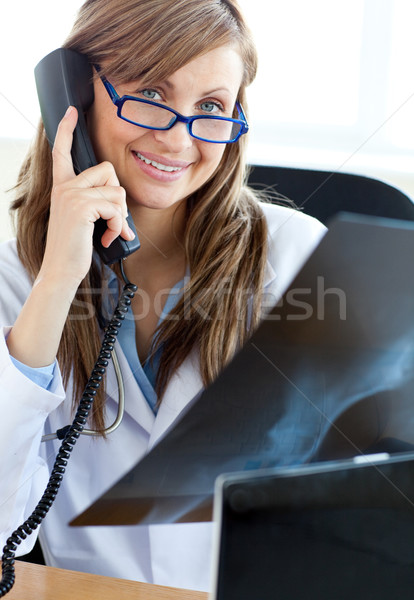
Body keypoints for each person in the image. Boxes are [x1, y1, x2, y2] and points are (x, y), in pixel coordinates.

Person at [0, 0, 326, 592]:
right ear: (73, 92)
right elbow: (3, 534)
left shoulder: (299, 257)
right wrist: (56, 285)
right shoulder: (16, 279)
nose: (179, 138)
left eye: (210, 107)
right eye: (151, 91)